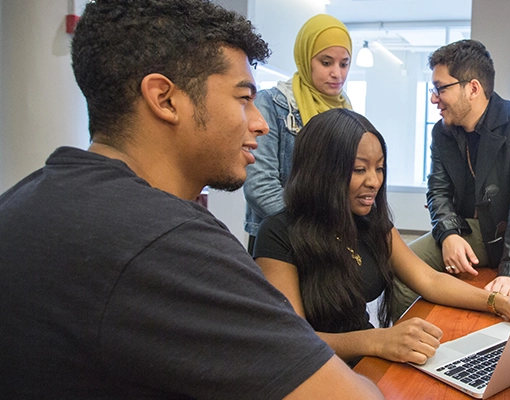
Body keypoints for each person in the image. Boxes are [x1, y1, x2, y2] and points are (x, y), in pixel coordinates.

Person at [0, 1, 381, 398]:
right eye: (243, 98)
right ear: (164, 98)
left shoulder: (19, 203)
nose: (260, 123)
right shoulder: (173, 243)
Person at [253, 108, 510, 365]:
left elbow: (429, 280)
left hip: (364, 362)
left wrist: (498, 303)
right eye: (359, 169)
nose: (374, 181)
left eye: (380, 168)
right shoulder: (278, 233)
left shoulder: (370, 221)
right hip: (316, 373)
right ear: (321, 172)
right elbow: (294, 341)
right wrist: (377, 340)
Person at [402, 39, 510, 317]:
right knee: (402, 271)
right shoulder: (441, 132)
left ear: (472, 88)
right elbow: (438, 191)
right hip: (463, 232)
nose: (434, 98)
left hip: (503, 238)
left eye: (440, 88)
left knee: (406, 270)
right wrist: (448, 234)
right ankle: (396, 342)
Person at [244, 14, 353, 253]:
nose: (337, 73)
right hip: (281, 239)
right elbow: (260, 186)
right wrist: (312, 228)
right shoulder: (273, 103)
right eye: (326, 63)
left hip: (331, 239)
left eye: (343, 63)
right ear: (305, 59)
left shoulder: (346, 110)